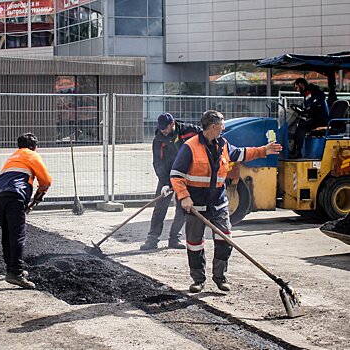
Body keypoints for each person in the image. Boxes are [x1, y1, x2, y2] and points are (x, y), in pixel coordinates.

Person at [170, 110, 282, 293]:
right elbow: (176, 175)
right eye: (222, 124)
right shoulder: (190, 147)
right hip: (196, 205)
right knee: (194, 243)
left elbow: (240, 154)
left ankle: (220, 277)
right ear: (213, 127)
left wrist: (264, 150)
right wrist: (184, 197)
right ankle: (198, 280)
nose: (224, 126)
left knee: (224, 240)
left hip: (218, 204)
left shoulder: (223, 145)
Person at [0, 133, 52, 289]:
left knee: (8, 232)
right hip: (14, 195)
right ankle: (15, 273)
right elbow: (46, 181)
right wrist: (39, 195)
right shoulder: (31, 155)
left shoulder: (13, 157)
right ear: (34, 146)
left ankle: (11, 268)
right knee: (18, 233)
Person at [140, 113, 201, 250]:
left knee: (182, 208)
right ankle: (152, 239)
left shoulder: (188, 131)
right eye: (161, 128)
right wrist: (165, 182)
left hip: (185, 175)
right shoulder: (159, 139)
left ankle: (174, 239)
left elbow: (204, 137)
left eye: (165, 128)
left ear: (172, 124)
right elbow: (158, 162)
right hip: (167, 175)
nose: (163, 131)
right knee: (160, 207)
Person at [290, 78, 329, 158]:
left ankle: (298, 152)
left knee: (302, 126)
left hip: (321, 119)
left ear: (301, 85)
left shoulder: (315, 91)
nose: (297, 90)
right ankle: (294, 150)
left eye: (297, 87)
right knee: (298, 125)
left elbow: (317, 103)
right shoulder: (306, 94)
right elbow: (309, 108)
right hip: (315, 118)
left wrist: (310, 108)